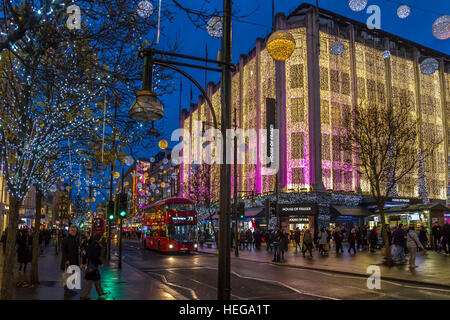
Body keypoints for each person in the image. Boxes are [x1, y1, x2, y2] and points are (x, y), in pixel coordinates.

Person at [80, 233, 106, 300]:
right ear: (99, 238)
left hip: (91, 264)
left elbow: (86, 254)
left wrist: (83, 262)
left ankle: (100, 292)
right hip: (93, 265)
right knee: (89, 281)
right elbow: (95, 257)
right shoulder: (97, 246)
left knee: (97, 278)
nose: (101, 239)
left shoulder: (91, 244)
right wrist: (100, 263)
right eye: (101, 238)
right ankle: (83, 296)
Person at [61, 226, 80, 296]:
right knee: (67, 275)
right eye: (72, 231)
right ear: (69, 231)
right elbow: (64, 251)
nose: (74, 232)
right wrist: (66, 259)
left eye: (75, 231)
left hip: (74, 260)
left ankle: (69, 289)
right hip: (68, 260)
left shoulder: (75, 239)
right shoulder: (66, 239)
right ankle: (67, 290)